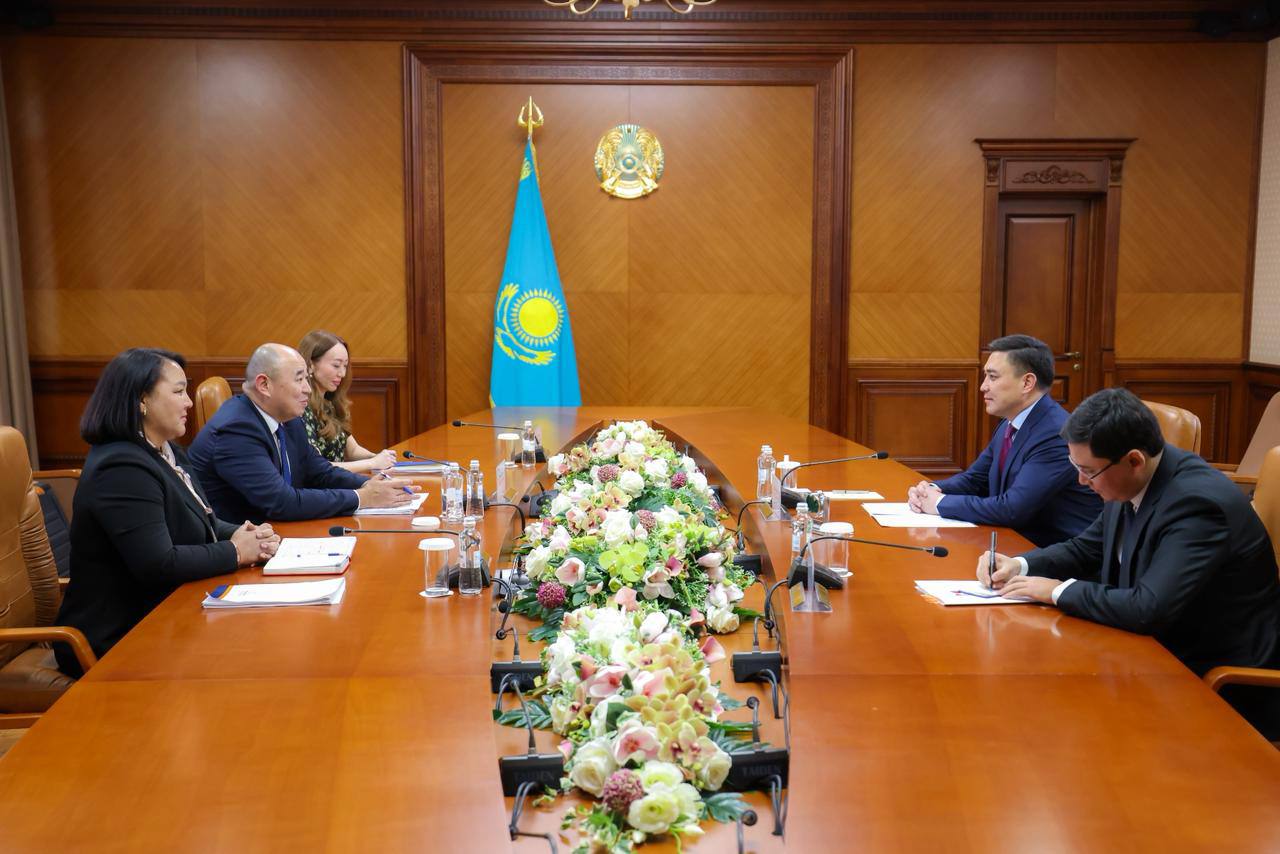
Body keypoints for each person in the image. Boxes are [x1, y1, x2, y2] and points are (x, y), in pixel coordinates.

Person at [981, 387, 1280, 738]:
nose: (1081, 481)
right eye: (1076, 467)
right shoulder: (1130, 477)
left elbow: (1147, 609)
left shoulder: (1198, 505)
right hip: (1149, 657)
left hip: (1214, 684)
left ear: (1134, 460)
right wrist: (1019, 565)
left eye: (1088, 471)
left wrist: (1057, 591)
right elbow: (1085, 549)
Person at [54, 348, 281, 676]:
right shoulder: (121, 467)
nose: (188, 402)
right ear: (141, 400)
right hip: (119, 638)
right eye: (178, 392)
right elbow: (158, 563)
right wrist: (236, 552)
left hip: (165, 614)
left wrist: (245, 535)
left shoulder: (164, 450)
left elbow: (200, 519)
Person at [907, 334, 1101, 546]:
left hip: (1053, 553)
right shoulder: (1010, 424)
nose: (983, 386)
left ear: (1027, 382)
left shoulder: (1055, 433)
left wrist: (940, 503)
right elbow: (975, 480)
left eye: (993, 377)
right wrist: (931, 489)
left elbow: (1013, 509)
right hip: (1012, 543)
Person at [188, 343, 417, 522]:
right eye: (299, 379)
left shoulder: (287, 418)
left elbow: (318, 471)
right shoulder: (236, 430)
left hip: (277, 533)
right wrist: (362, 498)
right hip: (240, 548)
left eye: (307, 379)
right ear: (264, 385)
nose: (308, 389)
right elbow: (281, 503)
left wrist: (368, 485)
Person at [298, 329, 396, 474]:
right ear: (311, 364)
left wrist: (378, 458)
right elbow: (316, 467)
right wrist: (372, 463)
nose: (342, 374)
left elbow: (352, 450)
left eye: (345, 366)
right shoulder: (301, 407)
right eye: (336, 365)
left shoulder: (330, 403)